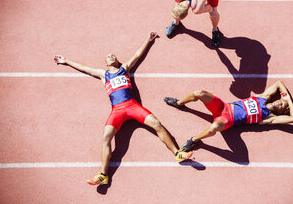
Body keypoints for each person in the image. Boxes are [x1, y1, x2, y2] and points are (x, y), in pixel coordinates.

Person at [54, 32, 193, 186]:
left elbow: (137, 55)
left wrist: (148, 40)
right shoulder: (103, 74)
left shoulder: (124, 68)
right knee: (106, 137)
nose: (112, 56)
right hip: (117, 111)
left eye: (113, 55)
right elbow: (85, 68)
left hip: (133, 106)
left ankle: (177, 153)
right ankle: (103, 175)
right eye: (109, 57)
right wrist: (66, 61)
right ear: (106, 63)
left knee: (157, 124)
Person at [164, 81, 293, 152]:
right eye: (282, 100)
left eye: (283, 105)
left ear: (281, 111)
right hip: (223, 106)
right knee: (199, 93)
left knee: (214, 127)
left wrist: (289, 102)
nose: (281, 102)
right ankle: (179, 103)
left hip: (227, 121)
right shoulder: (263, 97)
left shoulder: (269, 118)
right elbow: (279, 83)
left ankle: (193, 140)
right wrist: (286, 96)